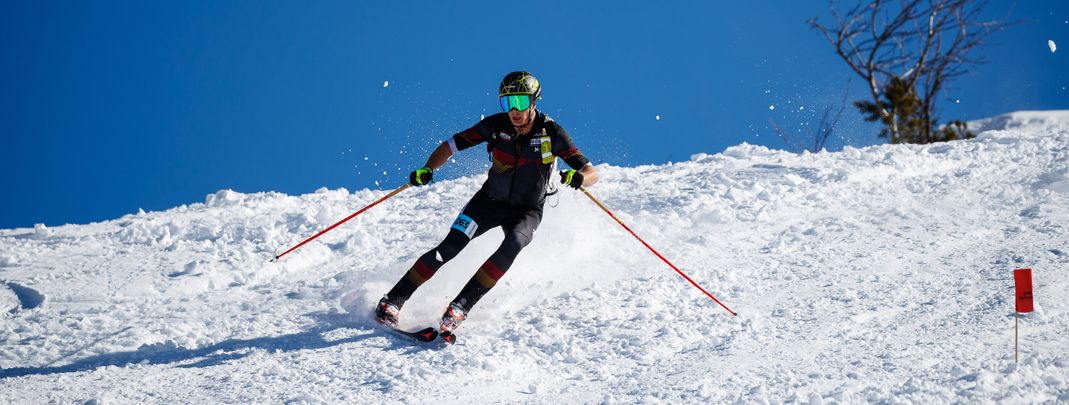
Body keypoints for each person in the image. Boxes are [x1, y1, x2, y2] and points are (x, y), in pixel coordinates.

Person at [375, 71, 598, 333]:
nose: (514, 110)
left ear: (534, 102)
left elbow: (590, 172)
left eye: (521, 103)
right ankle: (393, 301)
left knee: (513, 243)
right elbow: (451, 145)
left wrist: (579, 179)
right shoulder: (496, 126)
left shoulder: (551, 132)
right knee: (450, 246)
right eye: (508, 103)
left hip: (527, 211)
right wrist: (428, 168)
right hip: (488, 203)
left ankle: (460, 307)